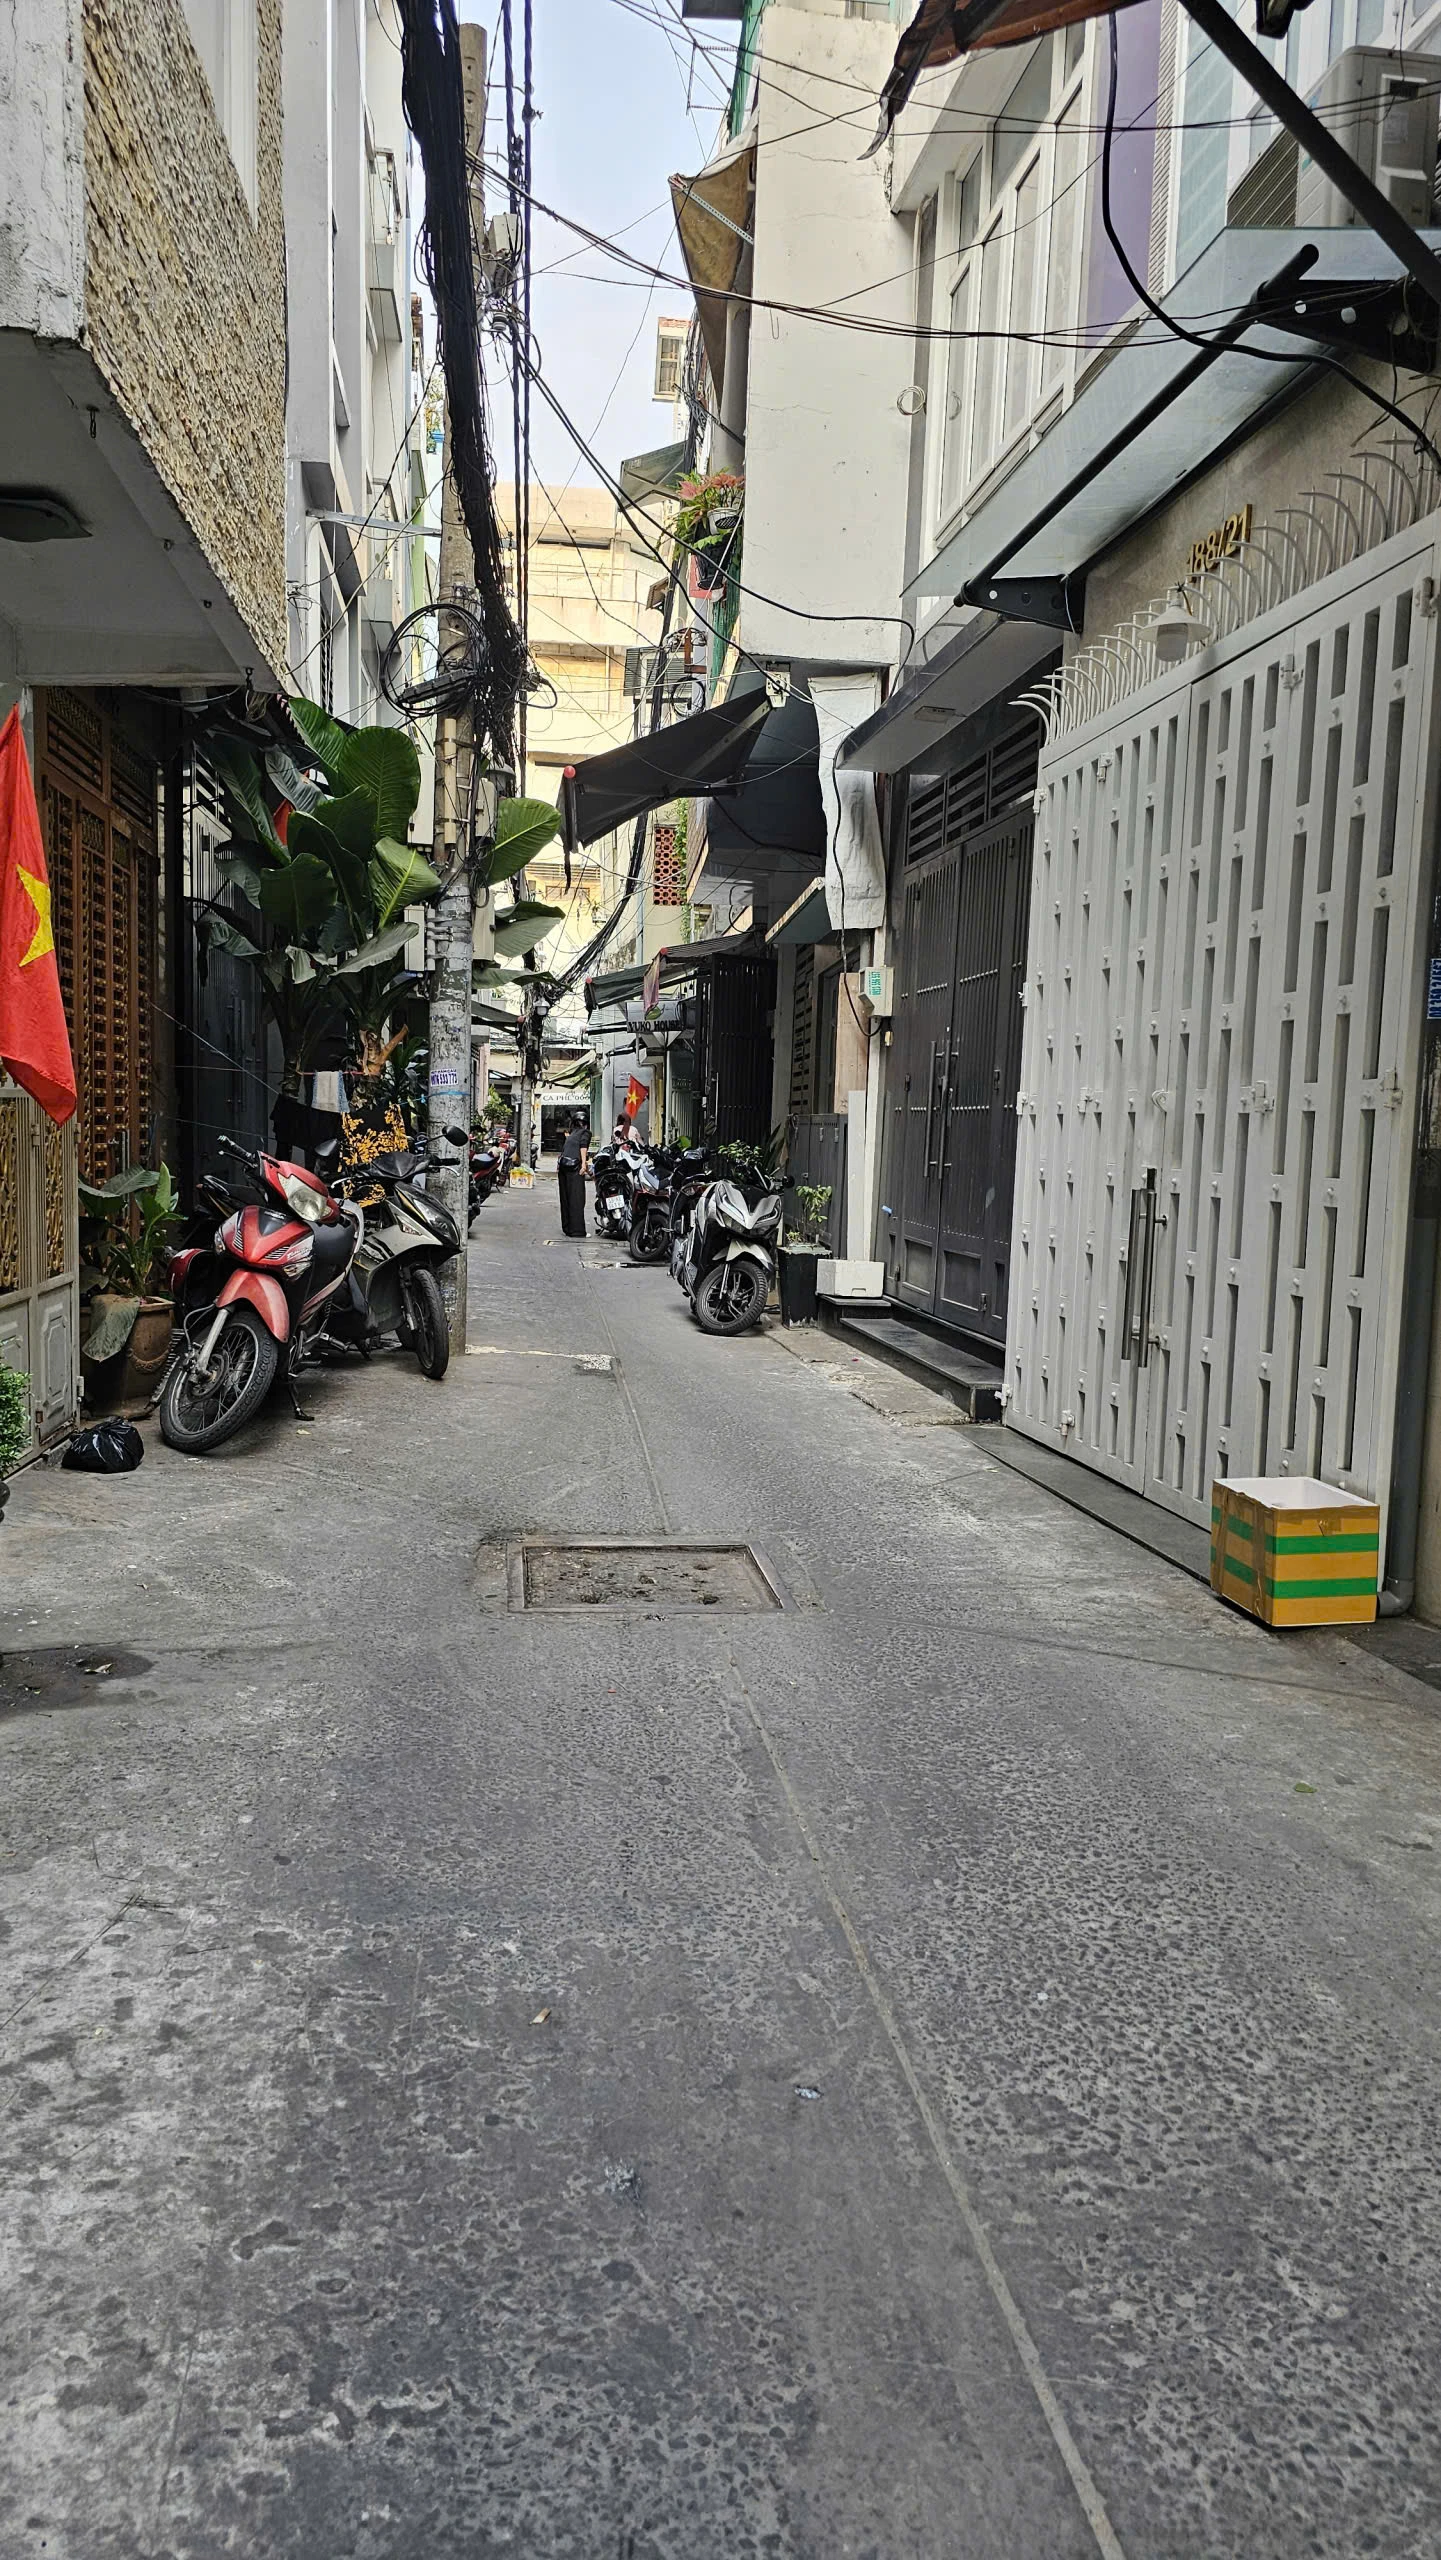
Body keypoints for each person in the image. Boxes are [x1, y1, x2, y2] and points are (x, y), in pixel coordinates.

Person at [557, 1113, 590, 1236]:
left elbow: (565, 1150)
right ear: (585, 1123)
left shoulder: (571, 1134)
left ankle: (567, 1228)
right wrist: (584, 1164)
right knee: (577, 1198)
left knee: (565, 1198)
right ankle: (577, 1231)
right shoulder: (585, 1133)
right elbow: (583, 1147)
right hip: (574, 1167)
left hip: (563, 1166)